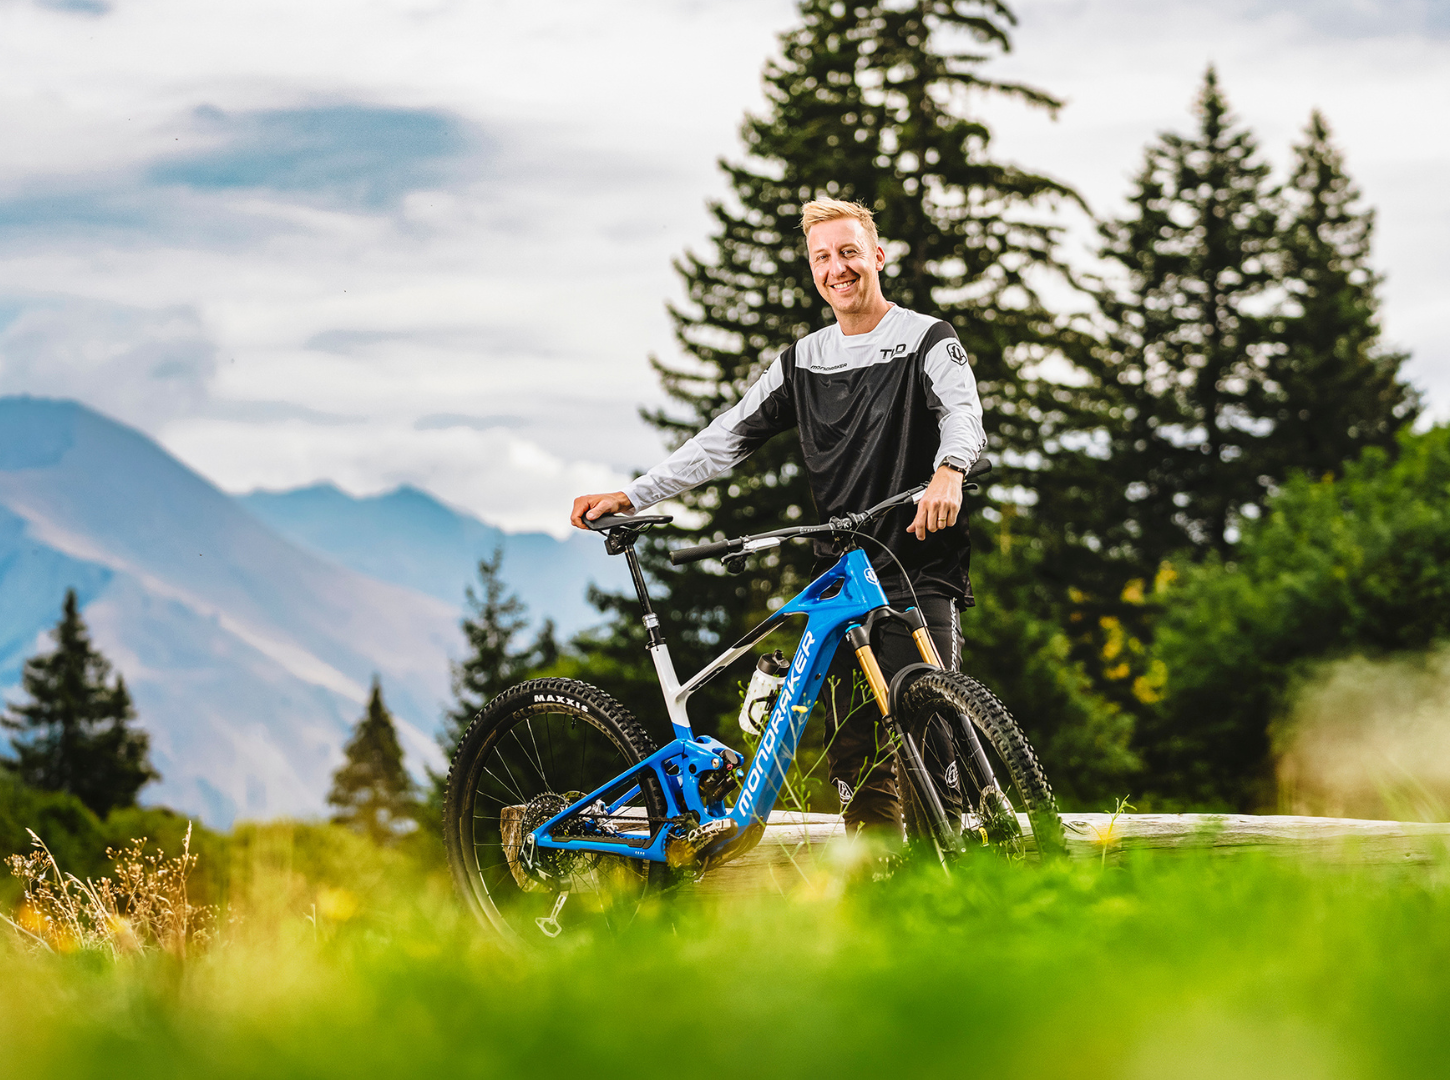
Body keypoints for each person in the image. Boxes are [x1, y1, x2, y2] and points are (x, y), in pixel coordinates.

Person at [570, 197, 985, 838]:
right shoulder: (801, 361)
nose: (837, 268)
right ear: (813, 270)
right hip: (842, 582)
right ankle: (881, 914)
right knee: (861, 773)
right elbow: (724, 438)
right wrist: (635, 495)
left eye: (849, 252)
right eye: (823, 257)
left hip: (917, 566)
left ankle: (972, 894)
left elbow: (963, 412)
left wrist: (949, 470)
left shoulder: (928, 339)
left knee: (935, 742)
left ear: (877, 256)